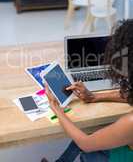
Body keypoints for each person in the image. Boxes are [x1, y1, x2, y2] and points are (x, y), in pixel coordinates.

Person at [41, 20, 133, 162]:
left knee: (86, 143)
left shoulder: (130, 122)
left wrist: (56, 109)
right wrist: (94, 96)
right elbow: (130, 95)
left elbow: (86, 143)